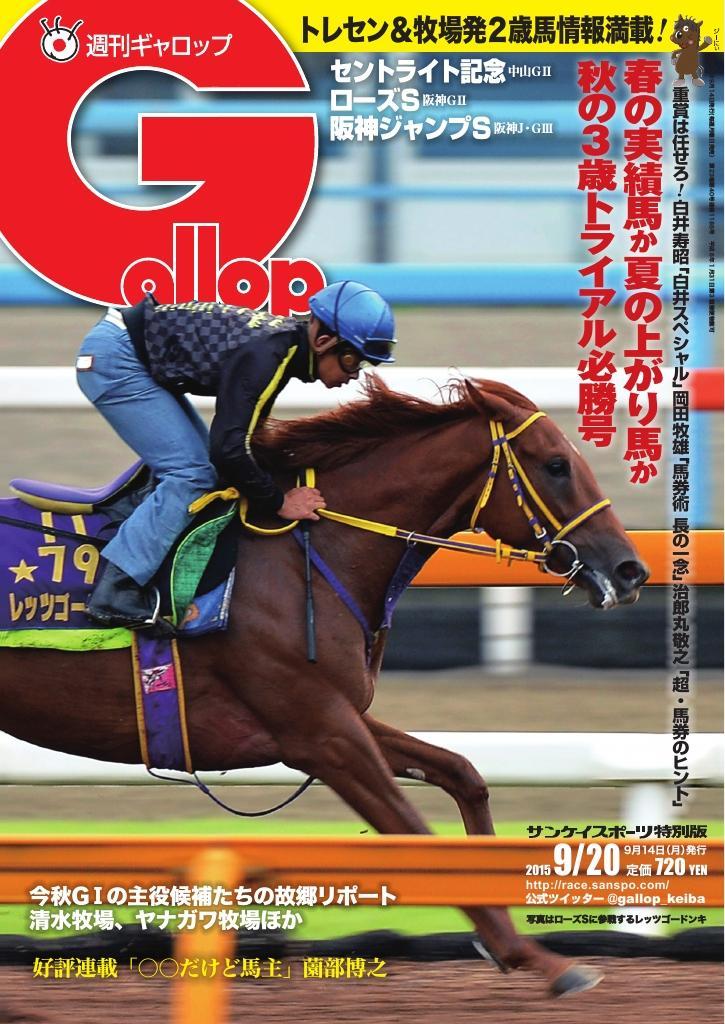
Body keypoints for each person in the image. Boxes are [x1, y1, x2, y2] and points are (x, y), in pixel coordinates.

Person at [76, 280, 397, 630]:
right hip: (117, 357)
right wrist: (278, 502)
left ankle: (143, 526)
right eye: (352, 360)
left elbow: (244, 440)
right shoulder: (267, 355)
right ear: (323, 341)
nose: (354, 374)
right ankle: (116, 590)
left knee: (200, 469)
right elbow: (228, 450)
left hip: (129, 349)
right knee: (191, 474)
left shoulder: (282, 350)